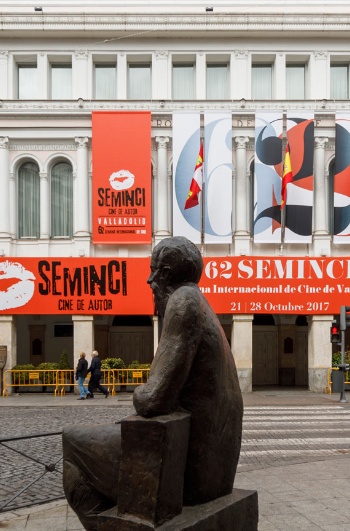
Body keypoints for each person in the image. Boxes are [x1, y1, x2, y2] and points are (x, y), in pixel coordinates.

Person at [63, 237, 243, 529]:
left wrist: (139, 390)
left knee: (71, 441)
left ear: (167, 273)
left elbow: (152, 398)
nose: (149, 280)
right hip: (216, 471)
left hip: (192, 474)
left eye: (154, 270)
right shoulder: (201, 303)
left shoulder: (183, 301)